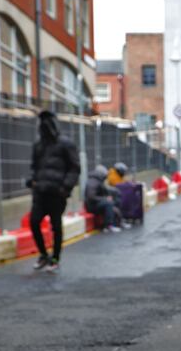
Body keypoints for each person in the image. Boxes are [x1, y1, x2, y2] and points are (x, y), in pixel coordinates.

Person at [27, 110, 80, 273]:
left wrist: (65, 187)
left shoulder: (65, 144)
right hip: (40, 192)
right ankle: (44, 255)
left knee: (56, 225)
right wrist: (32, 180)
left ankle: (55, 258)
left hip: (57, 193)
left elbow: (74, 167)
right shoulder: (38, 145)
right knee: (34, 222)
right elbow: (34, 166)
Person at [84, 165, 123, 232]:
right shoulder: (93, 182)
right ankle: (108, 225)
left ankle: (118, 222)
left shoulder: (97, 181)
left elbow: (104, 191)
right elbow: (91, 196)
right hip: (92, 206)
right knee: (108, 203)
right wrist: (104, 199)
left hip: (96, 203)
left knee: (114, 200)